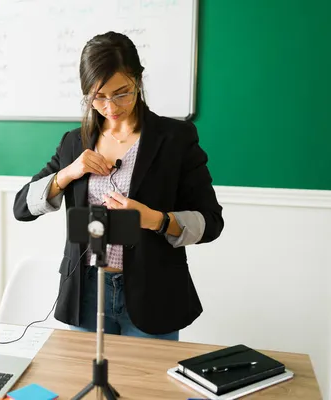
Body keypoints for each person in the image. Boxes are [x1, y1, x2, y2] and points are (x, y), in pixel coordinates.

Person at [13, 31, 224, 340]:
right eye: (98, 97)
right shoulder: (75, 142)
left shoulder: (175, 139)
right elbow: (21, 207)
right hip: (85, 294)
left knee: (147, 387)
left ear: (138, 80)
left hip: (153, 296)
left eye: (121, 93)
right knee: (84, 384)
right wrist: (67, 173)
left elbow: (211, 222)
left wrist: (155, 219)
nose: (110, 106)